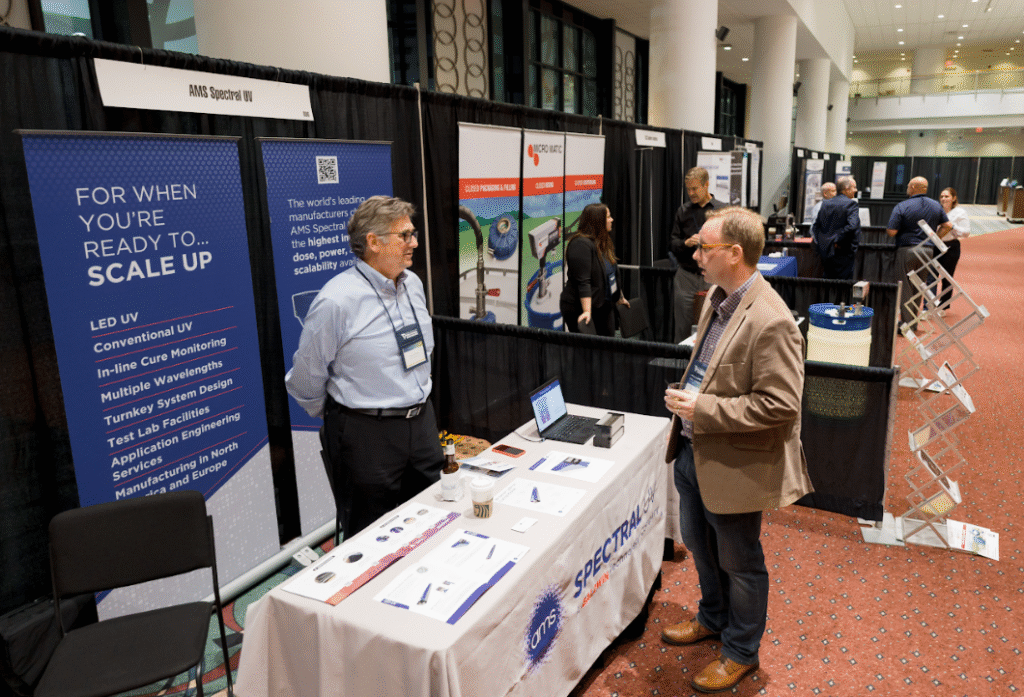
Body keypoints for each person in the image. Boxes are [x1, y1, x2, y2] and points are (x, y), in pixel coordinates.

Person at [659, 207, 814, 694]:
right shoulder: (718, 298)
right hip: (692, 450)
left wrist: (703, 408)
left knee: (740, 564)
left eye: (704, 248)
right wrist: (690, 404)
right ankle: (712, 617)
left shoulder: (772, 320)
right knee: (700, 547)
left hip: (735, 463)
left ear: (734, 253)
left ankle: (741, 652)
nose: (696, 255)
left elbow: (781, 405)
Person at [286, 196, 443, 537]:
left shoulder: (413, 284)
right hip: (368, 435)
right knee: (372, 537)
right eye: (405, 235)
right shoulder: (336, 301)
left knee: (434, 521)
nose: (414, 243)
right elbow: (305, 377)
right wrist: (344, 415)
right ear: (373, 242)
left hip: (422, 424)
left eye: (413, 233)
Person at [886, 176, 952, 328]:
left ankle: (907, 324)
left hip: (907, 250)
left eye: (908, 186)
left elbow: (891, 231)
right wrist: (934, 238)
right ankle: (913, 322)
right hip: (927, 251)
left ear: (913, 187)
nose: (907, 188)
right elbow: (948, 225)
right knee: (919, 287)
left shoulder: (902, 206)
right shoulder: (935, 205)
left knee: (905, 287)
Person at [670, 167, 727, 342]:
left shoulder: (722, 210)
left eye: (695, 189)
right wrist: (686, 243)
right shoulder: (683, 211)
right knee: (682, 327)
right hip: (686, 277)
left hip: (713, 277)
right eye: (688, 189)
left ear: (706, 185)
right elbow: (673, 243)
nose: (691, 193)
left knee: (714, 326)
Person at [560, 203, 630, 335]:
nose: (612, 220)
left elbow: (611, 274)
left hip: (604, 305)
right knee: (588, 347)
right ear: (598, 221)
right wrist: (587, 311)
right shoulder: (580, 244)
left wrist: (619, 297)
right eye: (608, 217)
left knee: (607, 342)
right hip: (580, 307)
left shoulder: (602, 241)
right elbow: (583, 282)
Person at [810, 176, 861, 280]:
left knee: (828, 284)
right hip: (843, 252)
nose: (855, 190)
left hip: (826, 253)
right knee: (843, 286)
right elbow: (852, 226)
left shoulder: (825, 203)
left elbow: (816, 227)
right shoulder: (851, 204)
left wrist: (824, 243)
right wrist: (836, 240)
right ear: (846, 189)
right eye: (853, 187)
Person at [937, 187, 970, 307]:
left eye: (947, 196)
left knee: (947, 277)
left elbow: (966, 233)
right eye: (942, 196)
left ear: (954, 198)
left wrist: (952, 227)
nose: (943, 199)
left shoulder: (960, 212)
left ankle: (944, 305)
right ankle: (928, 304)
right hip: (935, 245)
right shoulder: (937, 210)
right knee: (931, 276)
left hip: (951, 246)